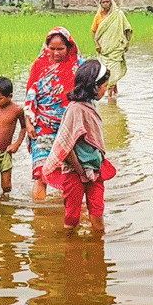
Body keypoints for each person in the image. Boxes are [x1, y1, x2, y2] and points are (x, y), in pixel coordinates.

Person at [42, 60, 116, 232]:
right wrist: (81, 171)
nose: (106, 90)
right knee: (72, 218)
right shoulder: (75, 110)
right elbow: (66, 147)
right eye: (105, 85)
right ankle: (71, 252)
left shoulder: (91, 105)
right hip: (75, 172)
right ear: (95, 87)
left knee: (97, 214)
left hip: (95, 170)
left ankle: (97, 252)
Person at [25, 27, 85, 201]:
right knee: (41, 173)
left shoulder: (78, 67)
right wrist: (29, 122)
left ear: (69, 47)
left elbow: (86, 99)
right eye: (52, 48)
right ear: (46, 47)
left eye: (60, 49)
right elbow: (30, 95)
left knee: (71, 172)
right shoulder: (39, 65)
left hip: (69, 126)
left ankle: (70, 211)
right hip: (42, 126)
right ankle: (40, 218)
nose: (56, 53)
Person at [92, 0, 133, 100]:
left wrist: (127, 42)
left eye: (107, 1)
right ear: (100, 4)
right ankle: (114, 94)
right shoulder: (98, 16)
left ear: (111, 2)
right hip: (104, 50)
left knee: (112, 72)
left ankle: (110, 99)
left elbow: (127, 29)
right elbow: (94, 32)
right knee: (107, 72)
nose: (106, 4)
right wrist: (97, 44)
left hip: (116, 49)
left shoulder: (118, 14)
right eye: (103, 2)